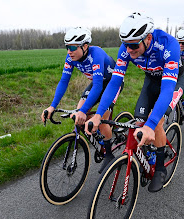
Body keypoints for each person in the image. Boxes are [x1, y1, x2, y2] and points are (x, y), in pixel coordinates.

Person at [85, 12, 184, 192]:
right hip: (151, 80)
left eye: (133, 45)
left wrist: (152, 123)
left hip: (173, 81)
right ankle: (147, 150)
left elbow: (167, 89)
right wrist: (99, 114)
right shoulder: (126, 48)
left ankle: (160, 168)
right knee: (139, 120)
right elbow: (115, 82)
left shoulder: (168, 44)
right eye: (126, 45)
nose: (129, 50)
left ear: (148, 38)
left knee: (155, 123)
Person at [41, 27, 123, 173]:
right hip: (97, 83)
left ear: (85, 46)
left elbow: (98, 87)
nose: (69, 51)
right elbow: (64, 81)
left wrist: (84, 111)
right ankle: (99, 137)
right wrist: (52, 106)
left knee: (101, 118)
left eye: (72, 47)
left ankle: (109, 154)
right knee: (79, 113)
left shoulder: (96, 54)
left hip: (112, 84)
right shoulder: (70, 58)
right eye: (67, 47)